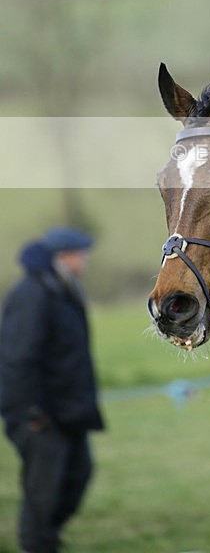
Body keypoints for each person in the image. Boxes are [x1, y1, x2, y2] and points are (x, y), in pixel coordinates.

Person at [0, 227, 104, 553]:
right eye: (80, 253)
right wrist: (31, 413)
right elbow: (17, 358)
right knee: (42, 493)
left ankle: (48, 537)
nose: (85, 259)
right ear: (63, 256)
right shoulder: (33, 293)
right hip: (40, 416)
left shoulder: (62, 288)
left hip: (68, 411)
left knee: (78, 475)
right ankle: (37, 544)